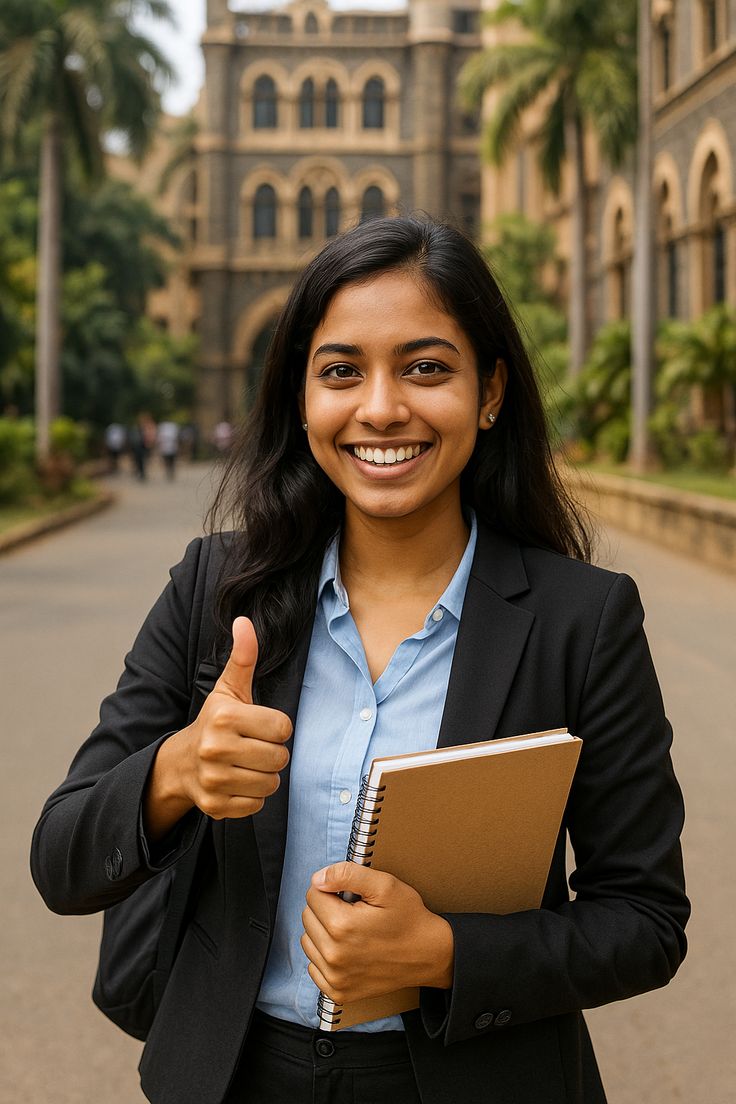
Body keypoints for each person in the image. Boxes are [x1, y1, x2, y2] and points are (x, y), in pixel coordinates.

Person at [30, 216, 689, 1104]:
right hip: (236, 1077)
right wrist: (176, 772)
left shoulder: (582, 621)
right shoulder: (215, 593)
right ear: (302, 397)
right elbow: (62, 859)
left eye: (426, 368)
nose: (380, 408)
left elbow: (646, 919)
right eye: (341, 371)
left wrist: (446, 954)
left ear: (490, 392)